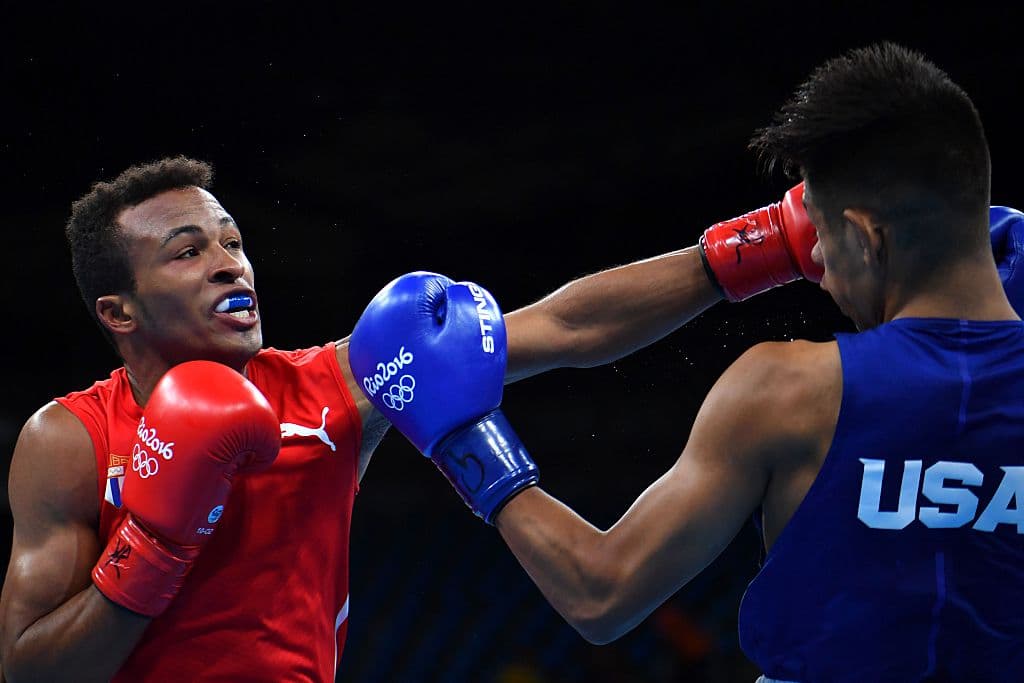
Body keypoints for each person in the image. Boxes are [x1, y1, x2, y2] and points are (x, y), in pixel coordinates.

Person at [0, 151, 843, 682]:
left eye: (232, 241)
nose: (229, 265)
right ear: (118, 311)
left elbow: (564, 325)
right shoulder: (67, 440)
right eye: (188, 251)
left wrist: (763, 244)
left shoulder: (335, 384)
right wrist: (155, 547)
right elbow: (29, 667)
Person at [349, 43, 1024, 682]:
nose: (813, 260)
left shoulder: (790, 393)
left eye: (819, 234)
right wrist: (744, 253)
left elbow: (600, 591)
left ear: (867, 235)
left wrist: (466, 438)